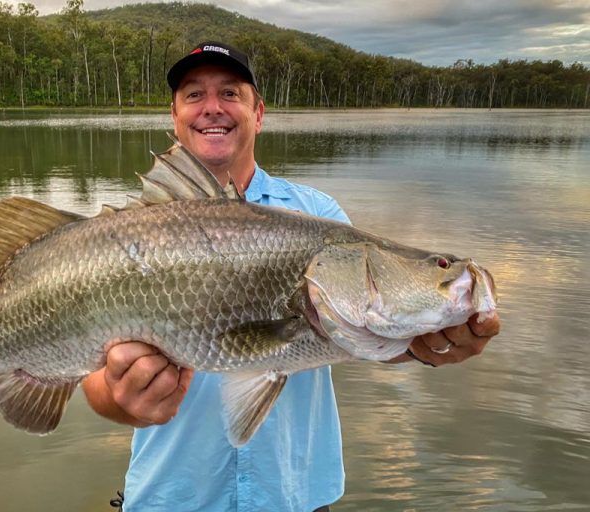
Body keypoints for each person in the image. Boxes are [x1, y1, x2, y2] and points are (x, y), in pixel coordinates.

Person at [82, 41, 501, 512]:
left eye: (231, 94)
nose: (212, 108)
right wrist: (121, 400)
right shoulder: (124, 237)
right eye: (194, 95)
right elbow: (92, 383)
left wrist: (431, 346)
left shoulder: (319, 216)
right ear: (174, 116)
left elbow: (362, 335)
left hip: (293, 495)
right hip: (171, 496)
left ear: (258, 113)